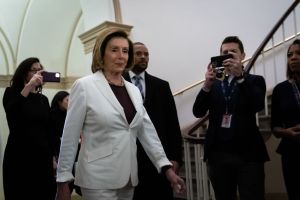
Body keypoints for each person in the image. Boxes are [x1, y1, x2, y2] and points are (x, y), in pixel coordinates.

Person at [55, 28, 185, 200]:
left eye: (125, 51)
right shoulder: (84, 86)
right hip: (97, 179)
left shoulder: (133, 90)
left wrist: (166, 167)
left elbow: (147, 132)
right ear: (102, 53)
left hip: (128, 179)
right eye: (114, 50)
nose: (121, 56)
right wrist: (63, 180)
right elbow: (69, 136)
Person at [192, 36, 269, 200]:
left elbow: (257, 105)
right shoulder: (214, 84)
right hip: (218, 155)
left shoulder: (255, 80)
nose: (228, 55)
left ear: (242, 56)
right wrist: (206, 85)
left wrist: (241, 77)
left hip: (248, 155)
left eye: (233, 52)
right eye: (224, 52)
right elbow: (198, 112)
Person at [123, 42, 183, 200]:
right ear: (129, 56)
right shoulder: (117, 83)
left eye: (146, 54)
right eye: (138, 53)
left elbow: (172, 124)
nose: (143, 57)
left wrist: (176, 157)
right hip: (127, 159)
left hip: (158, 160)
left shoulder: (161, 86)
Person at [2, 57, 57, 199]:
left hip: (42, 157)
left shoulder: (42, 99)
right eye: (35, 70)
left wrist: (53, 156)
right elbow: (13, 114)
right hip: (19, 156)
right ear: (24, 73)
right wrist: (29, 86)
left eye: (41, 70)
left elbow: (49, 130)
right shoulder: (11, 93)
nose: (39, 73)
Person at [271, 39, 300, 200]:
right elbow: (274, 127)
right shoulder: (280, 90)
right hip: (291, 153)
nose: (293, 58)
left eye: (298, 53)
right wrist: (286, 132)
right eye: (290, 55)